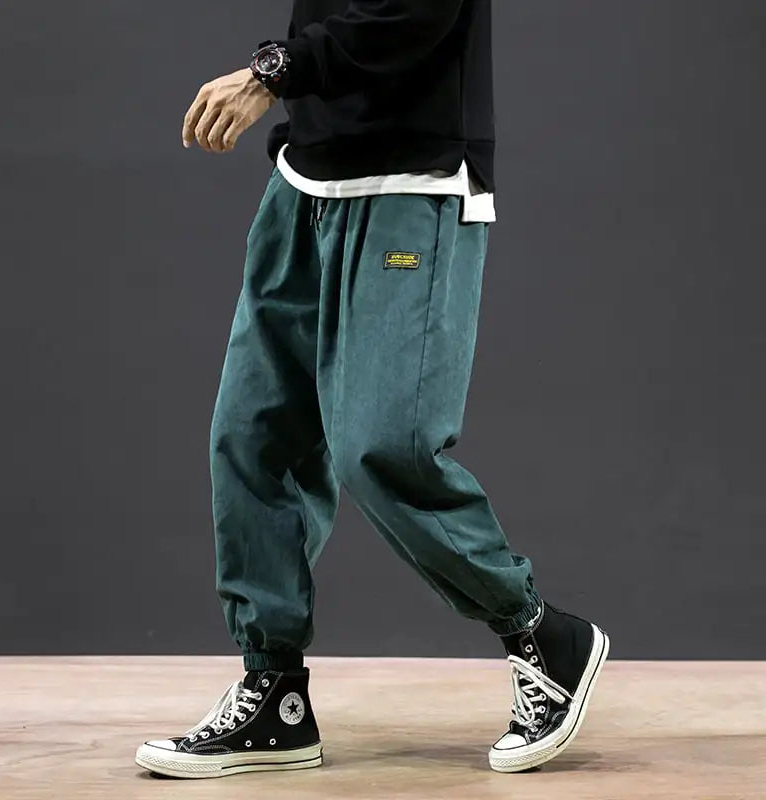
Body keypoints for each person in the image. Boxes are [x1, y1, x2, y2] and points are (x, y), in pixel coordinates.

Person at [135, 0, 609, 779]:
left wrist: (272, 73)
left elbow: (409, 15)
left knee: (380, 444)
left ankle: (541, 634)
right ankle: (274, 694)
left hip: (413, 181)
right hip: (305, 183)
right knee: (253, 438)